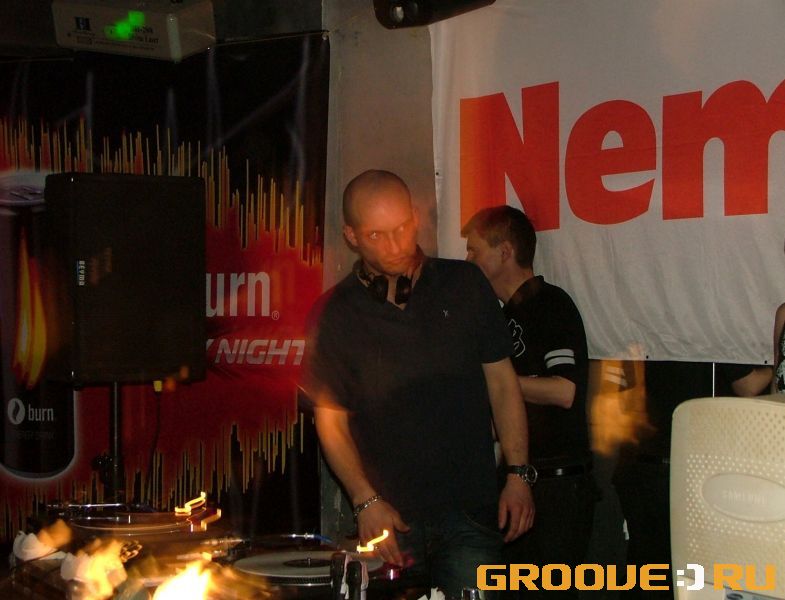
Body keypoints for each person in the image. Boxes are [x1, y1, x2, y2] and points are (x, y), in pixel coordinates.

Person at [300, 170, 535, 597]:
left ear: (414, 217)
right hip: (387, 520)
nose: (395, 246)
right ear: (351, 236)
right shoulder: (335, 313)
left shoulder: (465, 285)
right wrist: (365, 500)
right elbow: (330, 421)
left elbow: (503, 385)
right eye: (376, 235)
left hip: (471, 514)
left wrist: (519, 474)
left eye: (402, 228)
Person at [462, 205, 595, 599]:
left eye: (474, 250)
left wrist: (500, 383)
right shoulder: (499, 319)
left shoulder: (550, 303)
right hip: (517, 481)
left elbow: (565, 391)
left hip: (558, 485)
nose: (468, 260)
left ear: (505, 252)